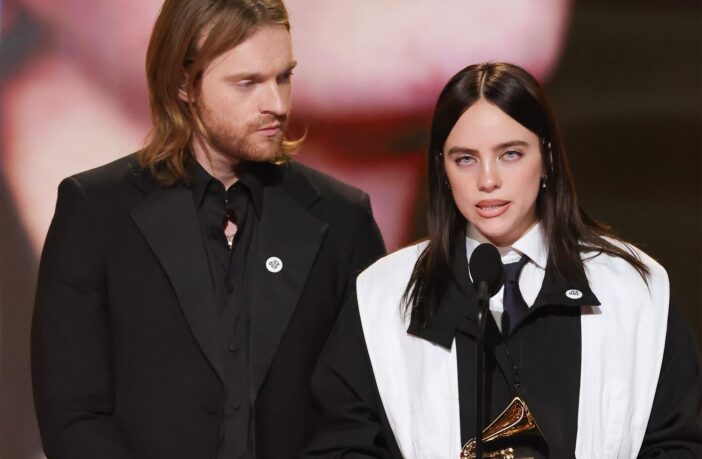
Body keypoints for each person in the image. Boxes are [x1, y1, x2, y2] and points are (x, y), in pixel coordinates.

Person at [30, 0, 385, 458]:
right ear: (185, 85)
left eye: (283, 77)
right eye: (247, 83)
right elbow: (73, 413)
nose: (277, 104)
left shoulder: (342, 218)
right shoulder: (96, 213)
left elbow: (360, 413)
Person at [304, 62, 702, 458]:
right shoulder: (382, 296)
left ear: (546, 157)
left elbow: (677, 441)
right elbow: (341, 444)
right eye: (465, 159)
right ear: (442, 168)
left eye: (510, 154)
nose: (488, 180)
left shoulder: (634, 290)